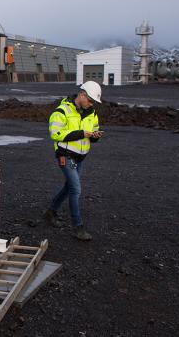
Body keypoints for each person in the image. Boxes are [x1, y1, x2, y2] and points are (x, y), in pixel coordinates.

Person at [43, 81, 103, 241]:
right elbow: (55, 134)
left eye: (94, 102)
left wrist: (95, 136)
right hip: (65, 156)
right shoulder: (61, 111)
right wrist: (82, 133)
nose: (92, 104)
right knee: (75, 190)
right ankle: (78, 227)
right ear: (82, 95)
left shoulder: (92, 113)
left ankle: (50, 212)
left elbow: (94, 131)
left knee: (69, 187)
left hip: (80, 157)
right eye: (90, 100)